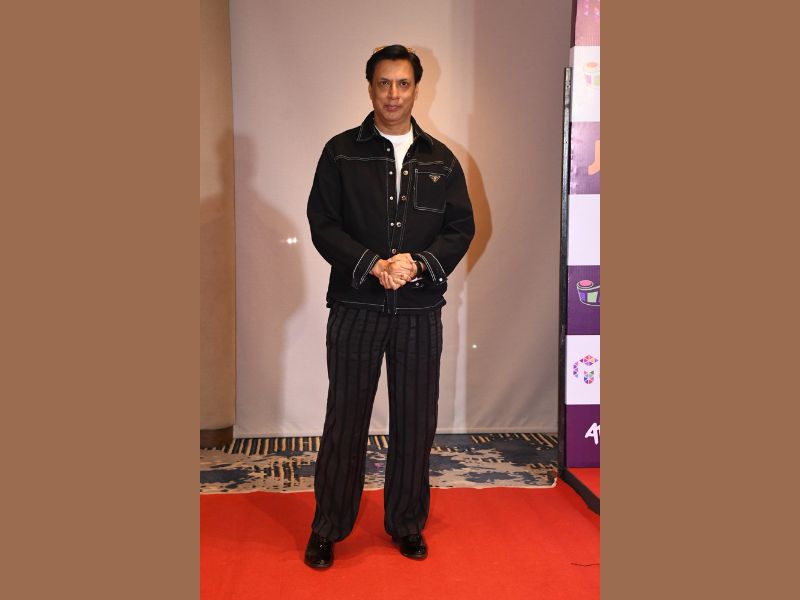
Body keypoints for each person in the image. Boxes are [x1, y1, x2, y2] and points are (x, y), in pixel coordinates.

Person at [304, 44, 475, 569]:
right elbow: (323, 224)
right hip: (355, 305)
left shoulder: (441, 159)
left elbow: (460, 228)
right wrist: (373, 265)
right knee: (345, 420)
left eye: (403, 84)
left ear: (417, 88)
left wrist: (419, 263)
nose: (393, 94)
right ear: (370, 87)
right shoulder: (340, 152)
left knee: (415, 421)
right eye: (384, 83)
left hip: (420, 313)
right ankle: (328, 529)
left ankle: (406, 524)